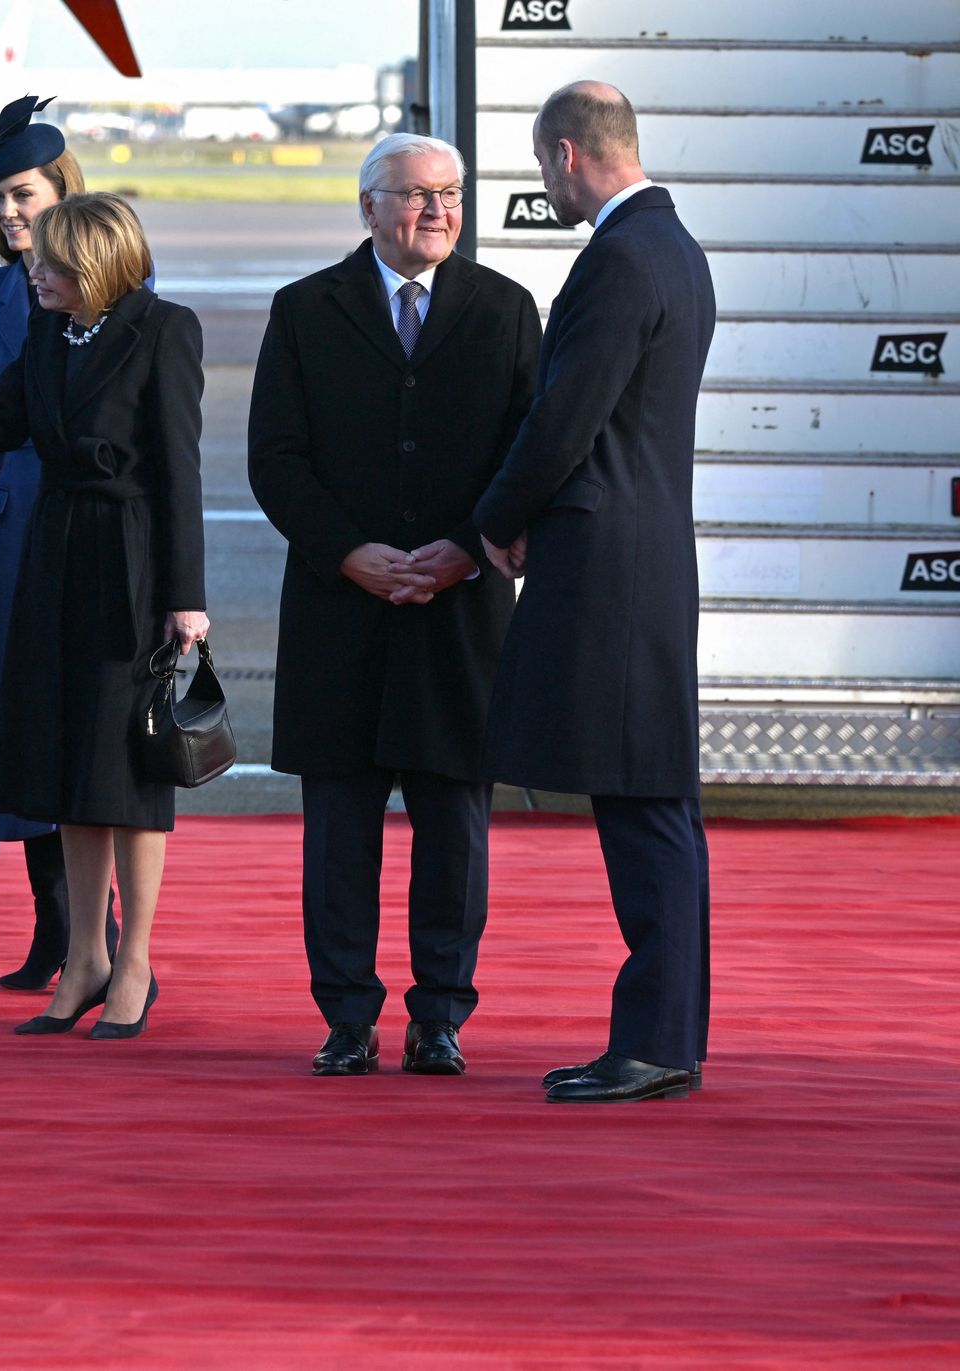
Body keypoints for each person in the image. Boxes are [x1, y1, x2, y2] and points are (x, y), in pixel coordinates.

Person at [247, 132, 540, 1078]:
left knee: (455, 826)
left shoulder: (504, 311)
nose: (437, 212)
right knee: (340, 829)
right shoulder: (305, 311)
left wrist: (468, 546)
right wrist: (346, 553)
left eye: (450, 194)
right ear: (368, 206)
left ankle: (441, 1014)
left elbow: (527, 451)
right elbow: (275, 457)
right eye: (416, 196)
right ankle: (346, 1016)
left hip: (460, 609)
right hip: (344, 608)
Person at [0, 192, 208, 1039]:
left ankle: (135, 959)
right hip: (55, 551)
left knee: (129, 767)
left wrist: (187, 597)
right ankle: (84, 957)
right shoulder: (47, 330)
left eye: (50, 260)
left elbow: (180, 468)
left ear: (96, 261)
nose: (32, 269)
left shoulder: (165, 328)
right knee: (68, 759)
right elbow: (0, 419)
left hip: (132, 560)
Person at [470, 81, 716, 1103]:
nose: (545, 185)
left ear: (567, 156)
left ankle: (655, 1041)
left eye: (541, 168)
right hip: (645, 554)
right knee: (655, 801)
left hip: (606, 567)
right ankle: (664, 1034)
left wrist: (493, 514)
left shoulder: (615, 259)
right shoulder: (676, 249)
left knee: (642, 804)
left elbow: (565, 418)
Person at [0, 93, 109, 990]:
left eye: (24, 195)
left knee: (87, 728)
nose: (9, 213)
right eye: (0, 200)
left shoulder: (121, 277)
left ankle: (102, 933)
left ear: (63, 194)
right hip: (14, 532)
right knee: (26, 729)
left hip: (91, 531)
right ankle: (53, 929)